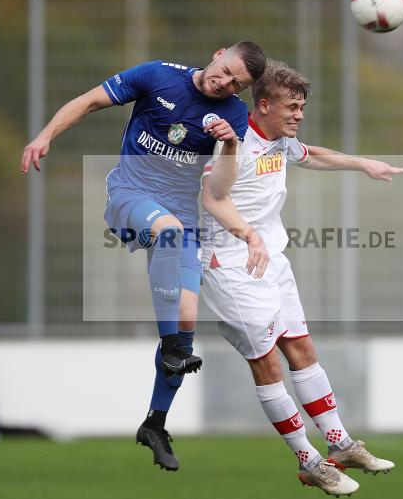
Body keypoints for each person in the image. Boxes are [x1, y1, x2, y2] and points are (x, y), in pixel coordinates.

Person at [21, 42, 267, 471]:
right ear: (218, 53)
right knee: (168, 239)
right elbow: (89, 101)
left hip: (183, 217)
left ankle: (155, 423)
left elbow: (219, 190)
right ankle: (170, 347)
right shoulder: (158, 75)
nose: (225, 83)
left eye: (236, 84)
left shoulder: (233, 116)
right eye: (226, 70)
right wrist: (45, 136)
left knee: (186, 319)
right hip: (130, 196)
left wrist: (229, 145)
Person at [200, 60, 403, 496]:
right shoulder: (233, 142)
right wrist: (248, 235)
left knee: (302, 348)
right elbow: (212, 197)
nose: (299, 115)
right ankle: (309, 462)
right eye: (291, 107)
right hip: (231, 264)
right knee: (268, 363)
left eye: (302, 107)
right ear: (264, 105)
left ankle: (340, 443)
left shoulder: (279, 141)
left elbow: (312, 155)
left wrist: (363, 164)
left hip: (272, 259)